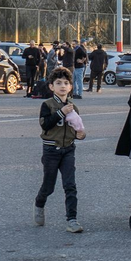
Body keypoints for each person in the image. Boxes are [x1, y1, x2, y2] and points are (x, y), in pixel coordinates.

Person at [35, 67, 86, 233]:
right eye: (58, 83)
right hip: (51, 151)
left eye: (66, 83)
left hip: (68, 150)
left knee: (70, 185)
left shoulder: (73, 108)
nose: (62, 86)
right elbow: (45, 124)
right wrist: (60, 113)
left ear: (71, 87)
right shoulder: (47, 105)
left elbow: (77, 129)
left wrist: (81, 135)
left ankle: (72, 220)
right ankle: (39, 203)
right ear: (51, 87)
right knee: (48, 186)